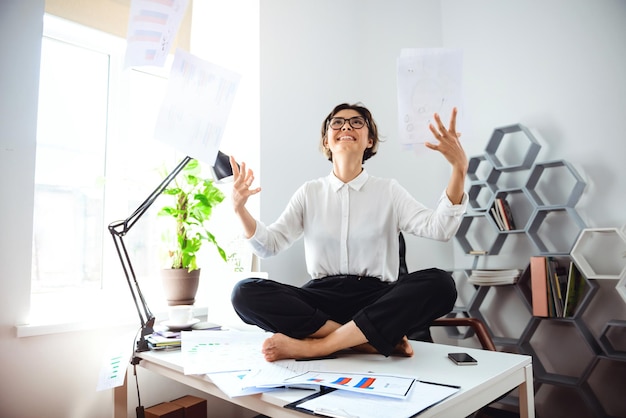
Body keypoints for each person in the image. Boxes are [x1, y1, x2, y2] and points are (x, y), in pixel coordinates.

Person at [229, 103, 468, 362]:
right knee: (244, 292)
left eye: (357, 122)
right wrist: (240, 209)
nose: (346, 126)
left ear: (370, 141)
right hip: (320, 302)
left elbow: (440, 228)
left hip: (375, 300)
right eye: (337, 122)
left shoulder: (389, 190)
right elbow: (269, 245)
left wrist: (459, 169)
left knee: (442, 284)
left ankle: (318, 346)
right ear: (326, 141)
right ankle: (365, 342)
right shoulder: (309, 192)